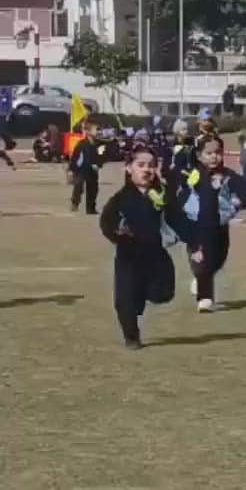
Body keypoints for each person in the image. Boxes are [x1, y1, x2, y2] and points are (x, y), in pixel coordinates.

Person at [99, 146, 176, 350]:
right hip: (129, 256)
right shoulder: (120, 199)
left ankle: (142, 296)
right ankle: (131, 337)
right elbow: (106, 222)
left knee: (162, 293)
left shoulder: (163, 194)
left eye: (151, 165)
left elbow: (178, 218)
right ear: (128, 168)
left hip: (156, 254)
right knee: (125, 300)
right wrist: (118, 234)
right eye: (140, 165)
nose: (146, 170)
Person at [167, 134, 246, 312]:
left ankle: (201, 278)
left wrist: (237, 202)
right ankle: (205, 297)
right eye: (209, 153)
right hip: (196, 226)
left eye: (218, 152)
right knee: (202, 260)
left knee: (218, 259)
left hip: (220, 226)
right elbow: (178, 190)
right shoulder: (193, 174)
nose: (214, 156)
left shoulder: (228, 176)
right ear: (199, 155)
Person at [69, 121, 107, 214]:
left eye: (99, 130)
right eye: (96, 130)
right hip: (80, 169)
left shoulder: (99, 144)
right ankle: (75, 203)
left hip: (93, 170)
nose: (98, 132)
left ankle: (90, 208)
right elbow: (74, 157)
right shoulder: (81, 144)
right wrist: (71, 169)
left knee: (93, 189)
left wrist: (98, 164)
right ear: (88, 132)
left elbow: (101, 156)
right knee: (78, 187)